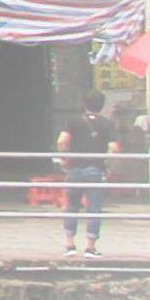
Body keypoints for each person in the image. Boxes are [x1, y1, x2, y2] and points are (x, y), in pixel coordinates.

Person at [59, 108, 122, 256]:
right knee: (94, 209)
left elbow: (62, 140)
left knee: (72, 206)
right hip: (96, 169)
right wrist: (108, 163)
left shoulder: (73, 121)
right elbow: (114, 147)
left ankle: (69, 245)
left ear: (84, 104)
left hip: (74, 169)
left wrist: (64, 158)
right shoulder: (106, 123)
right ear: (101, 106)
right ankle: (90, 247)